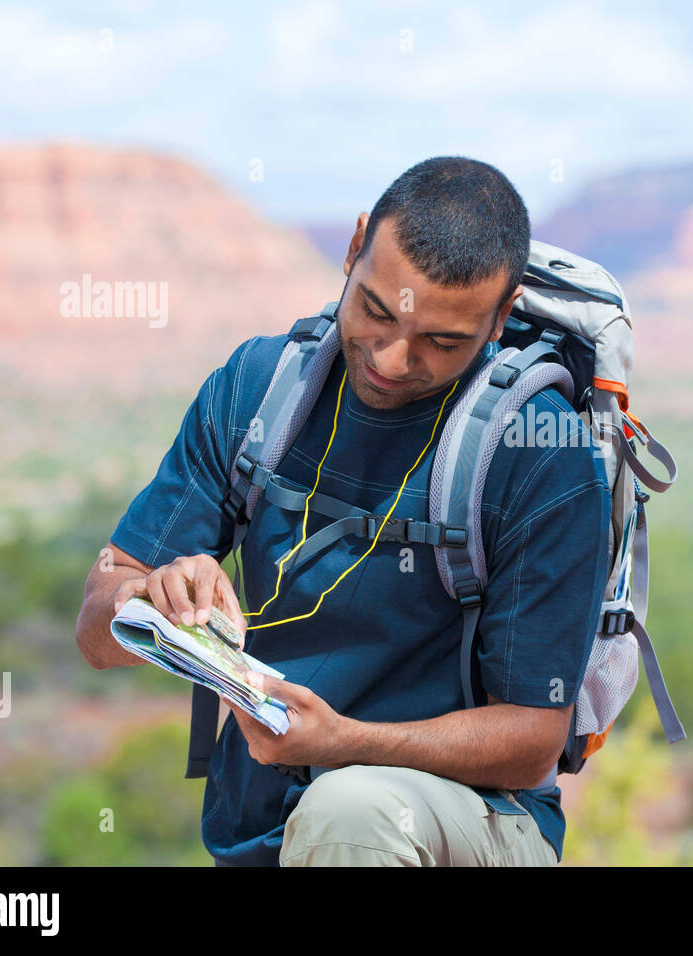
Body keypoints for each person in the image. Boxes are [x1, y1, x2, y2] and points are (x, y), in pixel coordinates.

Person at [74, 156, 612, 866]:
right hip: (261, 834)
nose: (392, 358)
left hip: (472, 818)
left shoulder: (540, 452)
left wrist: (345, 743)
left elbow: (533, 740)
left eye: (441, 341)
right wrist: (148, 597)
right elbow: (94, 635)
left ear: (501, 314)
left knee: (348, 811)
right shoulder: (258, 389)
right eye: (376, 312)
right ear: (356, 246)